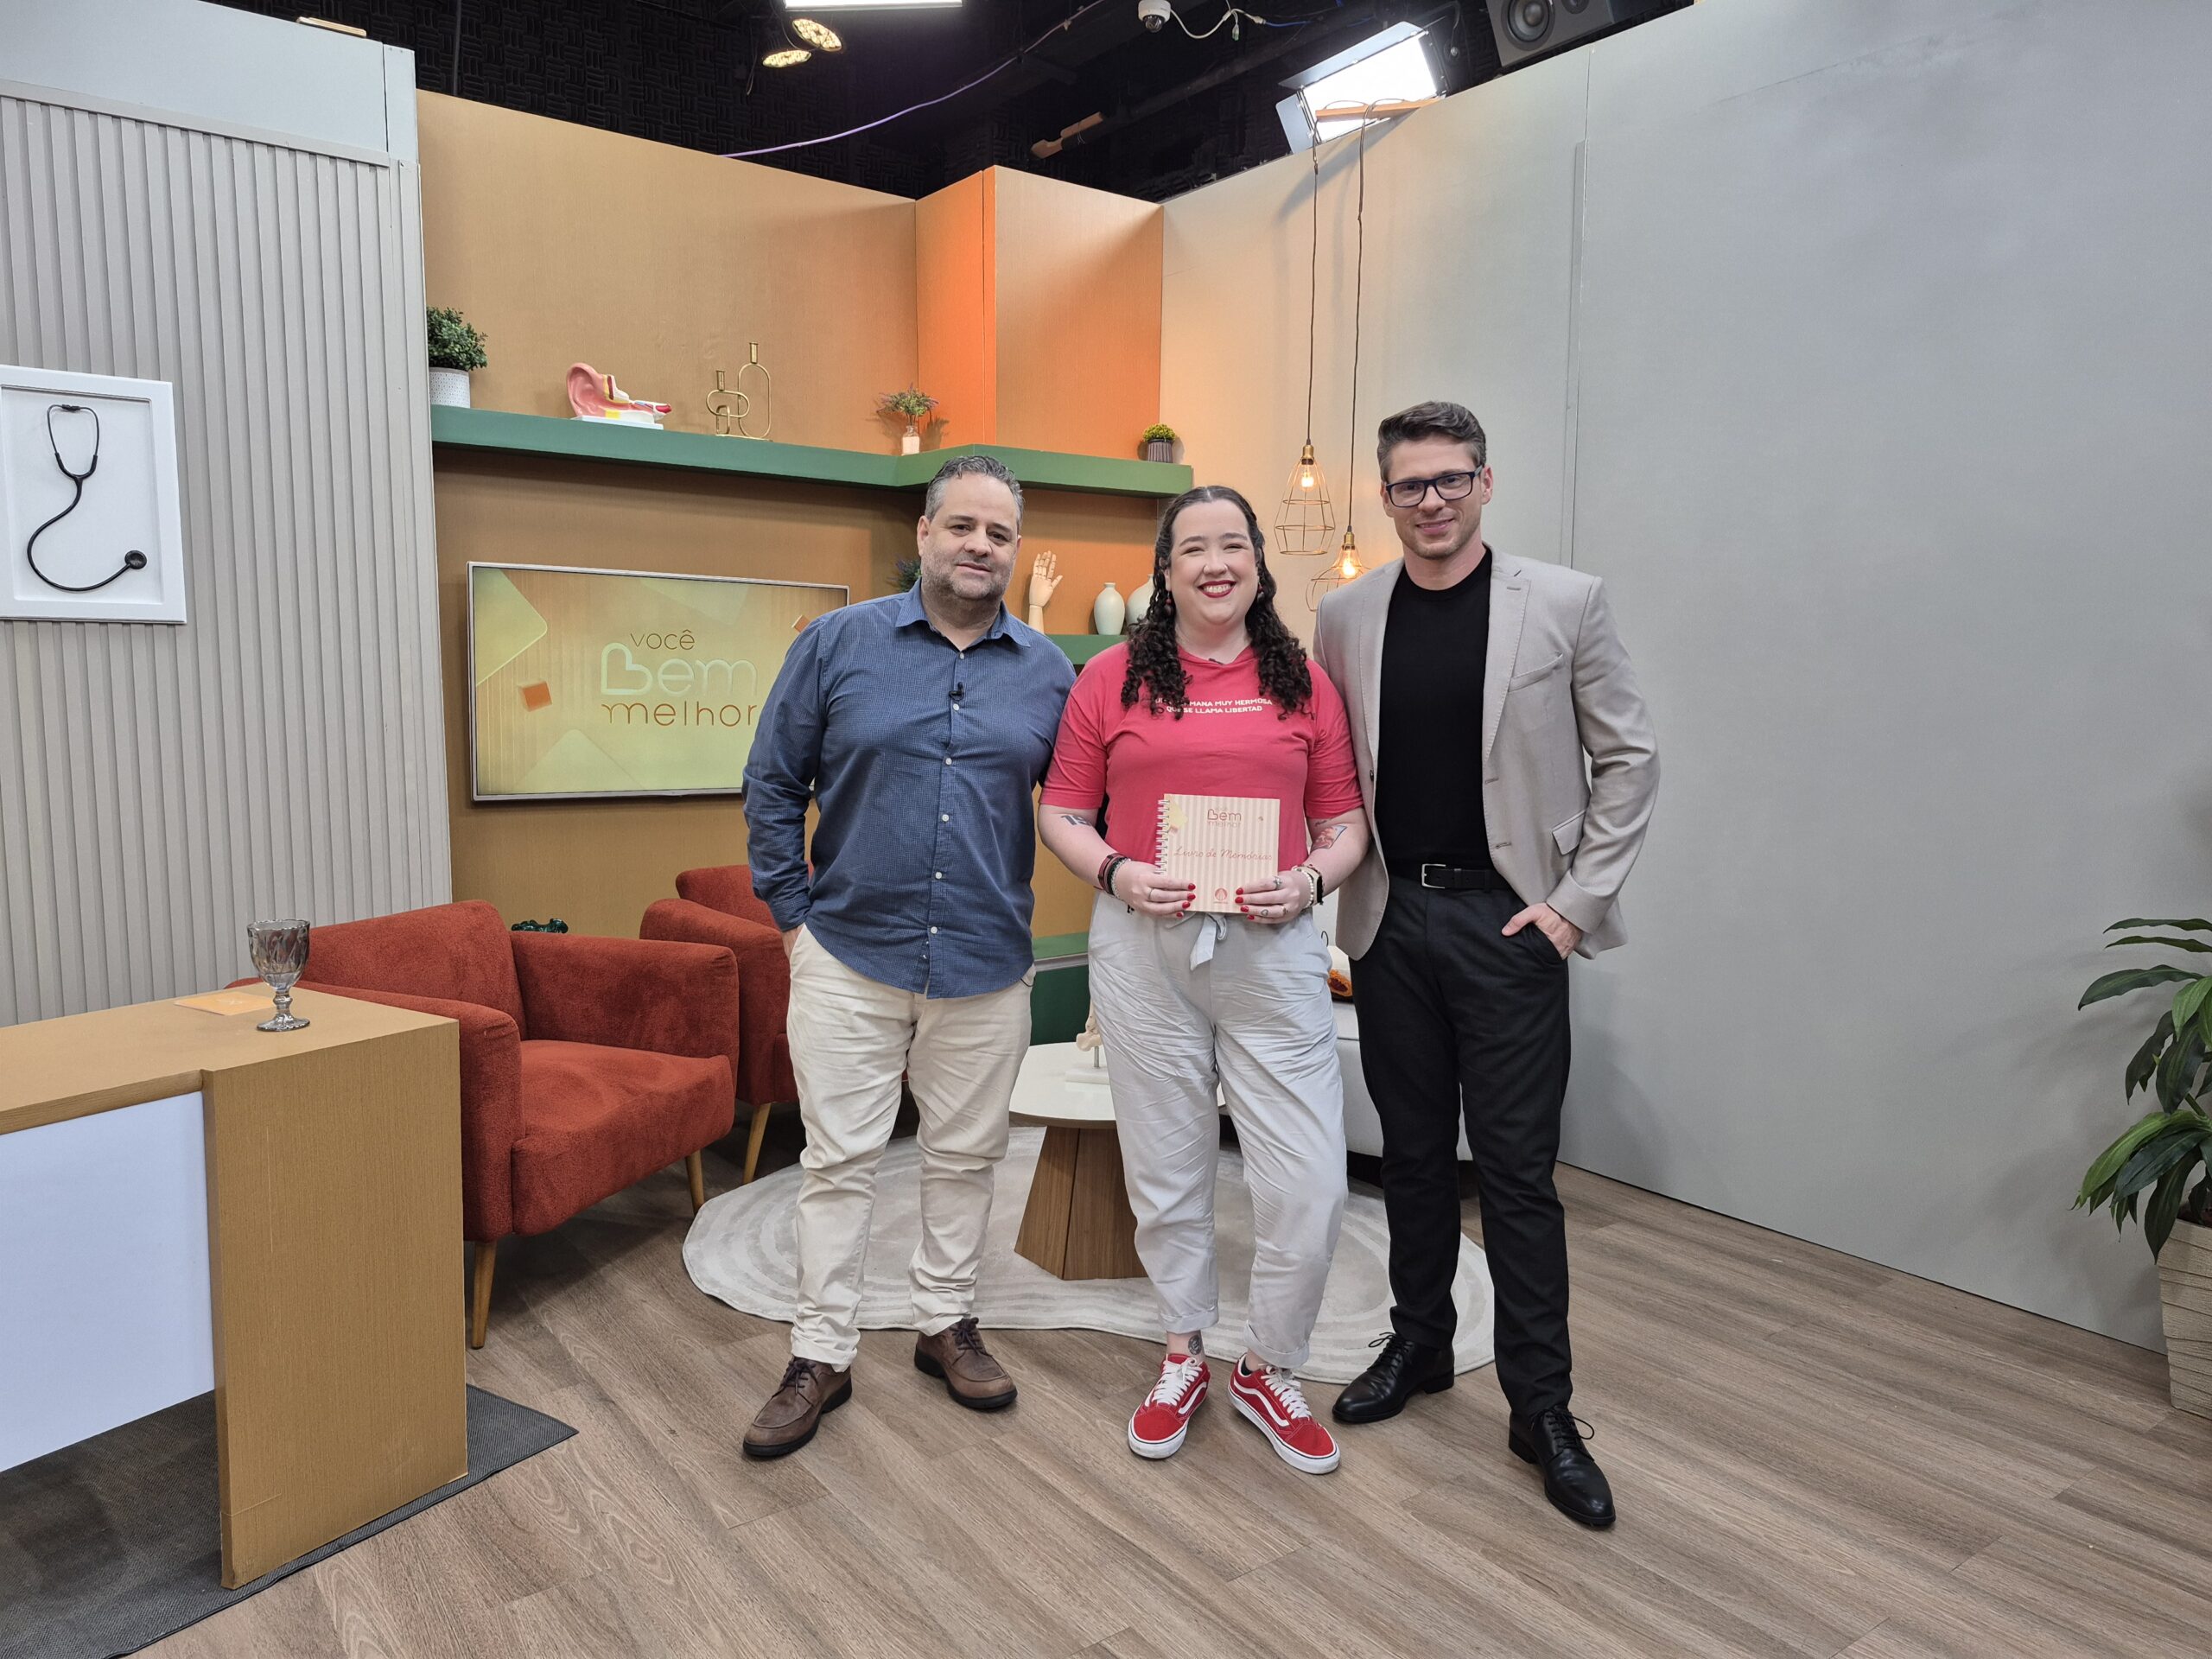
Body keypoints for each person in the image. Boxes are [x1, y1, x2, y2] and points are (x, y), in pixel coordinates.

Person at [1313, 402, 1657, 1528]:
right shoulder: (1345, 615)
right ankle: (1419, 1345)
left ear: (1485, 482)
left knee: (1514, 1176)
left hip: (1511, 926)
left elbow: (1630, 759)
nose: (1432, 501)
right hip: (1389, 920)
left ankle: (1541, 1409)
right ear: (1385, 496)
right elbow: (1330, 767)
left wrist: (1573, 908)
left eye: (1451, 479)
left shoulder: (1564, 601)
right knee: (1410, 1161)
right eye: (1411, 484)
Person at [739, 454, 1075, 1459]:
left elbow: (1083, 804)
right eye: (961, 526)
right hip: (848, 953)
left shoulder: (1049, 673)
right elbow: (771, 783)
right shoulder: (837, 643)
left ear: (1015, 551)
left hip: (985, 960)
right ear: (924, 534)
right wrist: (793, 919)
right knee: (837, 1164)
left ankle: (945, 1324)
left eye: (999, 533)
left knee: (965, 1159)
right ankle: (820, 1353)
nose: (980, 545)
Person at [1038, 485, 1370, 1476]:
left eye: (1233, 546)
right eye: (1194, 548)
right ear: (1166, 569)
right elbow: (1062, 812)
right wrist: (1114, 871)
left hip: (1273, 949)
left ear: (1258, 564)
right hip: (1143, 946)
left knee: (1309, 1183)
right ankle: (1182, 1349)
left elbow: (1343, 825)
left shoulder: (1305, 684)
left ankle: (1268, 1365)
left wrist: (1310, 880)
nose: (1215, 564)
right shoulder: (1109, 677)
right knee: (1167, 1167)